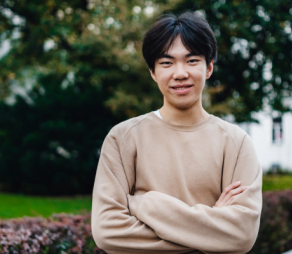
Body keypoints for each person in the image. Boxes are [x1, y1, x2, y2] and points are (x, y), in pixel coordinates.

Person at [91, 11, 262, 254]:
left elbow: (241, 235)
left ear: (209, 67)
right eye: (167, 63)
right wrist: (211, 228)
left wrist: (147, 205)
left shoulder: (236, 143)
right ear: (152, 72)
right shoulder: (123, 139)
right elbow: (107, 232)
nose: (180, 73)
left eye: (192, 61)